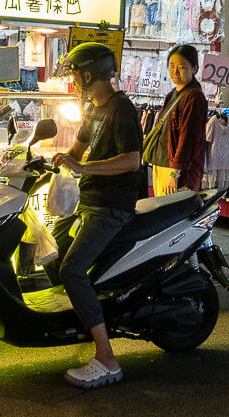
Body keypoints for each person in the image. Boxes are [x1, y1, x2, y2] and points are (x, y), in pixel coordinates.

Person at [48, 42, 143, 388]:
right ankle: (80, 320)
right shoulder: (91, 108)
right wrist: (58, 158)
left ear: (88, 74)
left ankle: (106, 356)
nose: (73, 80)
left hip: (110, 206)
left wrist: (82, 166)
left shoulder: (122, 110)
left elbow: (131, 160)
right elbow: (77, 150)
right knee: (51, 246)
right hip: (87, 200)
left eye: (75, 74)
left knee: (72, 270)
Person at [151, 44, 208, 195]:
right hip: (162, 164)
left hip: (176, 171)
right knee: (162, 212)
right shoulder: (173, 94)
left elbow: (188, 137)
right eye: (171, 66)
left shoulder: (194, 97)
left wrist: (174, 172)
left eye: (182, 67)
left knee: (171, 213)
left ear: (194, 69)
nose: (175, 71)